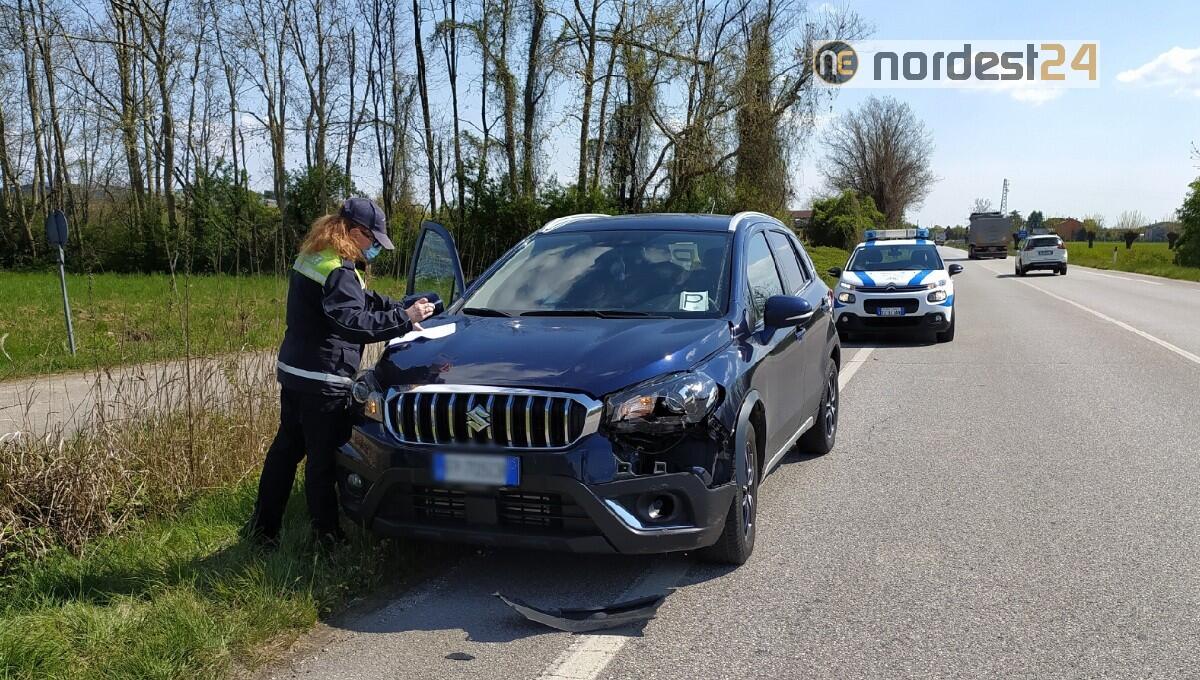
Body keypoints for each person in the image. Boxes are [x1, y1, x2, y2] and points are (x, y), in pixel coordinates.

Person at [245, 197, 435, 548]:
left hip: (296, 374)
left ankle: (262, 530)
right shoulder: (338, 270)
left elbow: (360, 299)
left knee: (285, 452)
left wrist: (399, 306)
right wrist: (405, 320)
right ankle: (328, 538)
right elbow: (352, 322)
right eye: (372, 239)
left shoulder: (318, 257)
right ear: (354, 231)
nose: (374, 248)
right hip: (324, 380)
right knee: (321, 463)